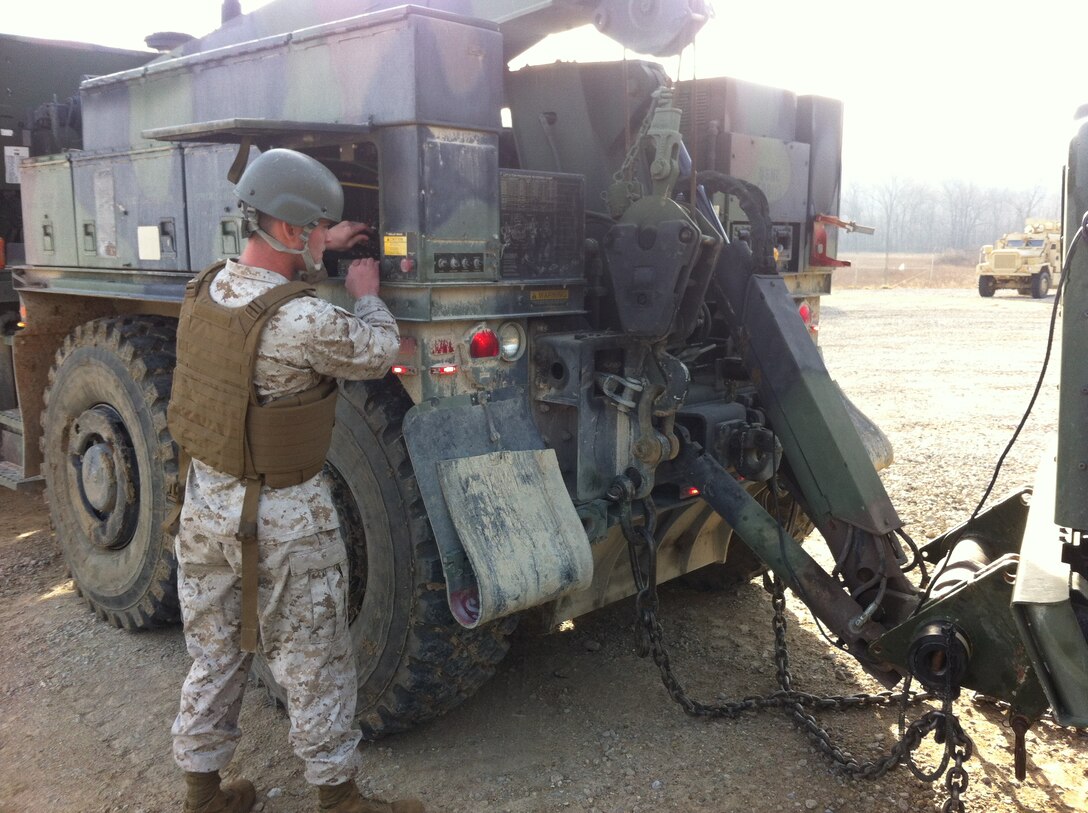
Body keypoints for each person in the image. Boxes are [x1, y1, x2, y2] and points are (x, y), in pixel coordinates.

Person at [167, 148, 423, 813]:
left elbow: (269, 275)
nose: (323, 239)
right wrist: (367, 295)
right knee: (315, 654)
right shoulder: (301, 320)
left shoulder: (206, 287)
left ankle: (202, 790)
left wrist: (317, 241)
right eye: (313, 228)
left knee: (215, 649)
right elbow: (378, 350)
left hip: (204, 503)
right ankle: (339, 799)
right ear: (287, 230)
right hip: (282, 514)